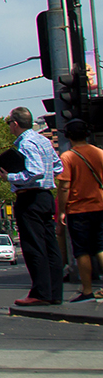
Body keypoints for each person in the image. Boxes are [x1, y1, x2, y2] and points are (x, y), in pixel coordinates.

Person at [7, 107, 66, 306]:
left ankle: (40, 292)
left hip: (30, 198)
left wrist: (10, 176)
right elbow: (58, 166)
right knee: (50, 246)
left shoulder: (26, 142)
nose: (9, 127)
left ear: (15, 123)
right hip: (46, 197)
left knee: (34, 246)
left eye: (9, 124)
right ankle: (54, 292)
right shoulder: (44, 141)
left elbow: (35, 171)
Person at [63, 120, 103, 302]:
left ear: (68, 136)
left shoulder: (68, 157)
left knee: (82, 251)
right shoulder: (100, 153)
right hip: (100, 206)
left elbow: (64, 186)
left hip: (78, 210)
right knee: (101, 247)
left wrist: (62, 211)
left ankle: (87, 290)